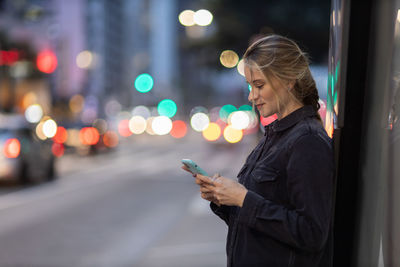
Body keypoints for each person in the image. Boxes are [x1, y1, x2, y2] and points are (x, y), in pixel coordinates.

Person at [182, 34, 335, 266]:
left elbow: (312, 233)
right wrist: (224, 199)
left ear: (288, 80)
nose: (252, 96)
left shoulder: (307, 141)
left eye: (259, 85)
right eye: (250, 86)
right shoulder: (275, 135)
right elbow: (260, 220)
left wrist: (244, 199)